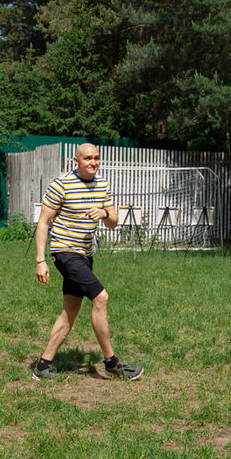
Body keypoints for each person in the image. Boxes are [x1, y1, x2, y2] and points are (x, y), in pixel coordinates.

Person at [31, 143, 143, 381]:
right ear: (76, 160)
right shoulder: (61, 185)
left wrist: (104, 213)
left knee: (70, 310)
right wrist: (41, 260)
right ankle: (111, 362)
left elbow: (113, 220)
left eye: (96, 158)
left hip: (85, 255)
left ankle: (43, 365)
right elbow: (43, 223)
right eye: (87, 158)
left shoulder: (101, 185)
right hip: (65, 253)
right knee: (100, 297)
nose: (93, 162)